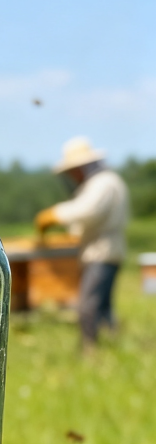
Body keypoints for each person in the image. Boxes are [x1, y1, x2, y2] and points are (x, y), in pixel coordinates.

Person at [35, 137, 130, 349]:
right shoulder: (103, 182)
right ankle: (112, 343)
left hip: (102, 252)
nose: (72, 175)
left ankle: (90, 350)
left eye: (74, 170)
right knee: (103, 304)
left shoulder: (103, 182)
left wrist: (54, 214)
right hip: (103, 250)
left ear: (82, 166)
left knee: (88, 304)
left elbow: (88, 210)